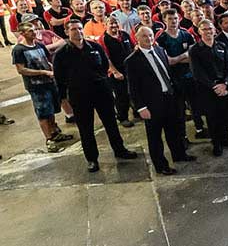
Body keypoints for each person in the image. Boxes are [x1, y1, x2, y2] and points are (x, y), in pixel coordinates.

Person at [52, 20, 138, 172]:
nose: (78, 32)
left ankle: (120, 150)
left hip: (101, 92)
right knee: (86, 129)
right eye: (73, 29)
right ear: (66, 32)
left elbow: (104, 65)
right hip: (80, 95)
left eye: (79, 28)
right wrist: (64, 98)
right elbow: (59, 78)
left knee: (111, 124)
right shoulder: (61, 54)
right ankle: (92, 159)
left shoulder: (95, 47)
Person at [126, 27, 194, 175]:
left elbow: (167, 72)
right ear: (137, 39)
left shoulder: (160, 51)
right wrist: (141, 107)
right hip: (151, 103)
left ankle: (179, 155)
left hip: (169, 97)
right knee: (155, 136)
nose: (148, 38)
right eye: (144, 36)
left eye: (150, 35)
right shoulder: (132, 60)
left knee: (174, 130)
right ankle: (161, 166)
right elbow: (133, 87)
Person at [11, 21, 74, 153]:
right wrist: (43, 72)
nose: (34, 32)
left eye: (34, 29)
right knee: (43, 113)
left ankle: (54, 132)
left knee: (51, 110)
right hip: (36, 86)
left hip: (49, 82)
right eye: (30, 31)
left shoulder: (39, 45)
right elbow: (21, 70)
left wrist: (53, 71)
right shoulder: (19, 50)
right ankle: (49, 139)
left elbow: (47, 61)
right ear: (22, 34)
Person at [156, 9, 205, 141]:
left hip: (190, 75)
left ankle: (200, 129)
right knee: (179, 110)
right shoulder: (161, 39)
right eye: (170, 19)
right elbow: (168, 61)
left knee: (195, 105)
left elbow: (193, 57)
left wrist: (177, 58)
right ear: (164, 21)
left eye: (175, 19)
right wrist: (183, 55)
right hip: (174, 79)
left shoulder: (186, 35)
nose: (173, 21)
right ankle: (182, 136)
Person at [188, 19, 228, 156]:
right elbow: (197, 73)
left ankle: (226, 139)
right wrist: (214, 86)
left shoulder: (221, 46)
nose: (208, 31)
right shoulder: (195, 50)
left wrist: (225, 83)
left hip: (224, 87)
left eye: (210, 29)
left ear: (215, 30)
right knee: (212, 118)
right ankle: (217, 144)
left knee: (225, 115)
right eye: (204, 29)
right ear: (199, 31)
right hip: (208, 90)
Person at [101, 16, 135, 128]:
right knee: (122, 96)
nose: (114, 25)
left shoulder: (124, 34)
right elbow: (106, 58)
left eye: (115, 23)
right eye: (111, 23)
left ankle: (137, 112)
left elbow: (133, 48)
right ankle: (123, 117)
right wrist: (115, 72)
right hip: (116, 72)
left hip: (129, 69)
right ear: (105, 25)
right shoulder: (103, 39)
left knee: (134, 92)